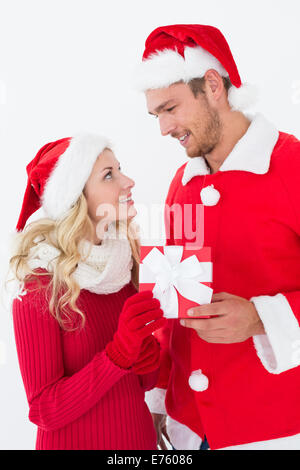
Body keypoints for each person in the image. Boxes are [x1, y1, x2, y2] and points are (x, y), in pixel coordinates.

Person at [136, 24, 300, 450]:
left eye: (170, 108)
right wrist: (157, 401)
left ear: (213, 85)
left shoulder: (292, 166)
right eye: (156, 115)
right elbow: (175, 305)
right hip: (189, 430)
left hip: (273, 426)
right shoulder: (180, 185)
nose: (164, 128)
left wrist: (261, 317)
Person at [9, 134, 166, 450]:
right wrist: (118, 355)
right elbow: (44, 411)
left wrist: (146, 360)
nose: (128, 181)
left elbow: (142, 384)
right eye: (109, 175)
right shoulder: (40, 284)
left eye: (120, 169)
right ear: (74, 196)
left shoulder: (124, 264)